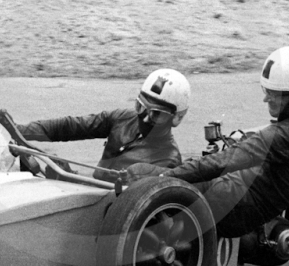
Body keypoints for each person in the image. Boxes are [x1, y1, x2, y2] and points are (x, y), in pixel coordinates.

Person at [129, 46, 289, 238]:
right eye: (266, 90)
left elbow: (223, 162)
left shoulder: (284, 135)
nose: (266, 99)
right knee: (158, 173)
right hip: (235, 196)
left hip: (232, 207)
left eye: (274, 94)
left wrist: (165, 177)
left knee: (143, 177)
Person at [16, 69, 191, 182]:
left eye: (156, 114)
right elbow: (72, 127)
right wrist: (23, 132)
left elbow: (125, 200)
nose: (145, 118)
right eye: (141, 107)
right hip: (81, 191)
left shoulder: (169, 162)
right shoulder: (122, 118)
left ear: (176, 118)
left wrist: (71, 178)